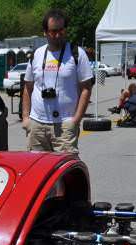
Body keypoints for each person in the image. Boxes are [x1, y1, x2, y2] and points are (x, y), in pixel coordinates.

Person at [21, 8, 93, 153]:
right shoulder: (37, 54)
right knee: (37, 172)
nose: (58, 35)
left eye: (61, 30)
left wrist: (75, 120)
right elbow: (28, 87)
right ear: (45, 32)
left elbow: (86, 88)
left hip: (65, 125)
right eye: (53, 31)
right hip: (37, 126)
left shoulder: (77, 53)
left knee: (65, 173)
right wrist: (26, 118)